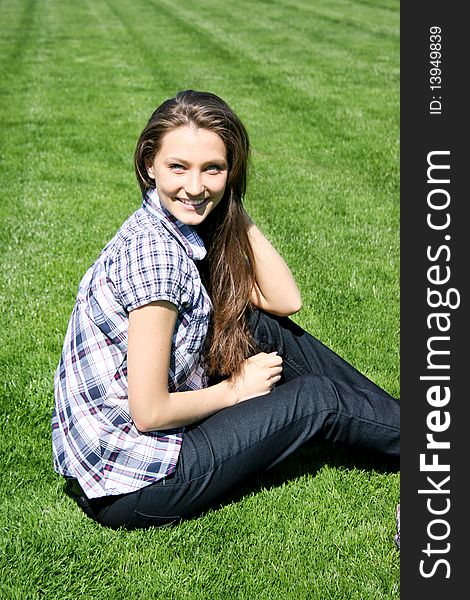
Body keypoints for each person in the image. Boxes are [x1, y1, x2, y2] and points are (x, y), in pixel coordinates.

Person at [52, 89, 400, 530]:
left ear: (230, 171)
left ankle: (406, 426)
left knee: (256, 323)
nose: (195, 187)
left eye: (212, 169)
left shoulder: (170, 223)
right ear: (148, 165)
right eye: (178, 167)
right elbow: (149, 411)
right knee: (318, 400)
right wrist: (236, 390)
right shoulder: (157, 259)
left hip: (124, 458)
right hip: (133, 482)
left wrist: (229, 205)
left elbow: (284, 302)